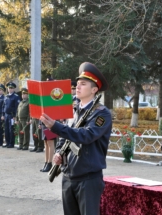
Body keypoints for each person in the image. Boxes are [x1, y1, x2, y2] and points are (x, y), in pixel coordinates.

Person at [40, 62, 112, 215]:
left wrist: (56, 126)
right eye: (77, 83)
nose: (77, 87)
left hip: (88, 179)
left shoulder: (101, 113)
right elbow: (64, 138)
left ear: (94, 89)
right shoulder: (74, 110)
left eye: (83, 84)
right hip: (68, 176)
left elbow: (85, 136)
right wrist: (58, 152)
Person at [2, 82, 20, 148]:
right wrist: (3, 114)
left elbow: (17, 107)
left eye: (11, 88)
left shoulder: (16, 97)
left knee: (11, 129)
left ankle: (11, 143)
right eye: (9, 88)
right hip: (6, 115)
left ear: (14, 89)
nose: (10, 89)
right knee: (6, 129)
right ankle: (7, 142)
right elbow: (3, 106)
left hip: (12, 116)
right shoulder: (6, 96)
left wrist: (15, 116)